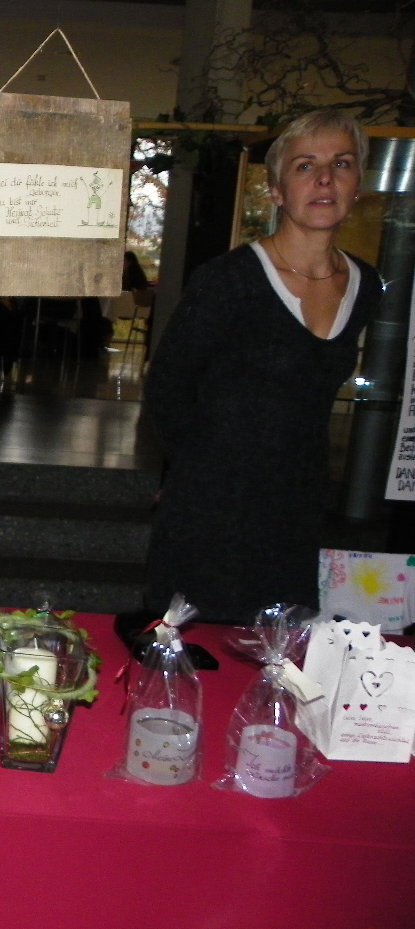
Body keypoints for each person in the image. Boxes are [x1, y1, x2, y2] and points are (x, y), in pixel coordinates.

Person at [143, 109, 382, 623]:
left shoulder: (365, 285)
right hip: (213, 504)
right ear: (276, 190)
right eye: (305, 166)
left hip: (298, 504)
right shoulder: (228, 280)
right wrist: (198, 472)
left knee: (282, 648)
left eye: (341, 163)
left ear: (358, 184)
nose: (324, 179)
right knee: (193, 648)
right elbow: (166, 385)